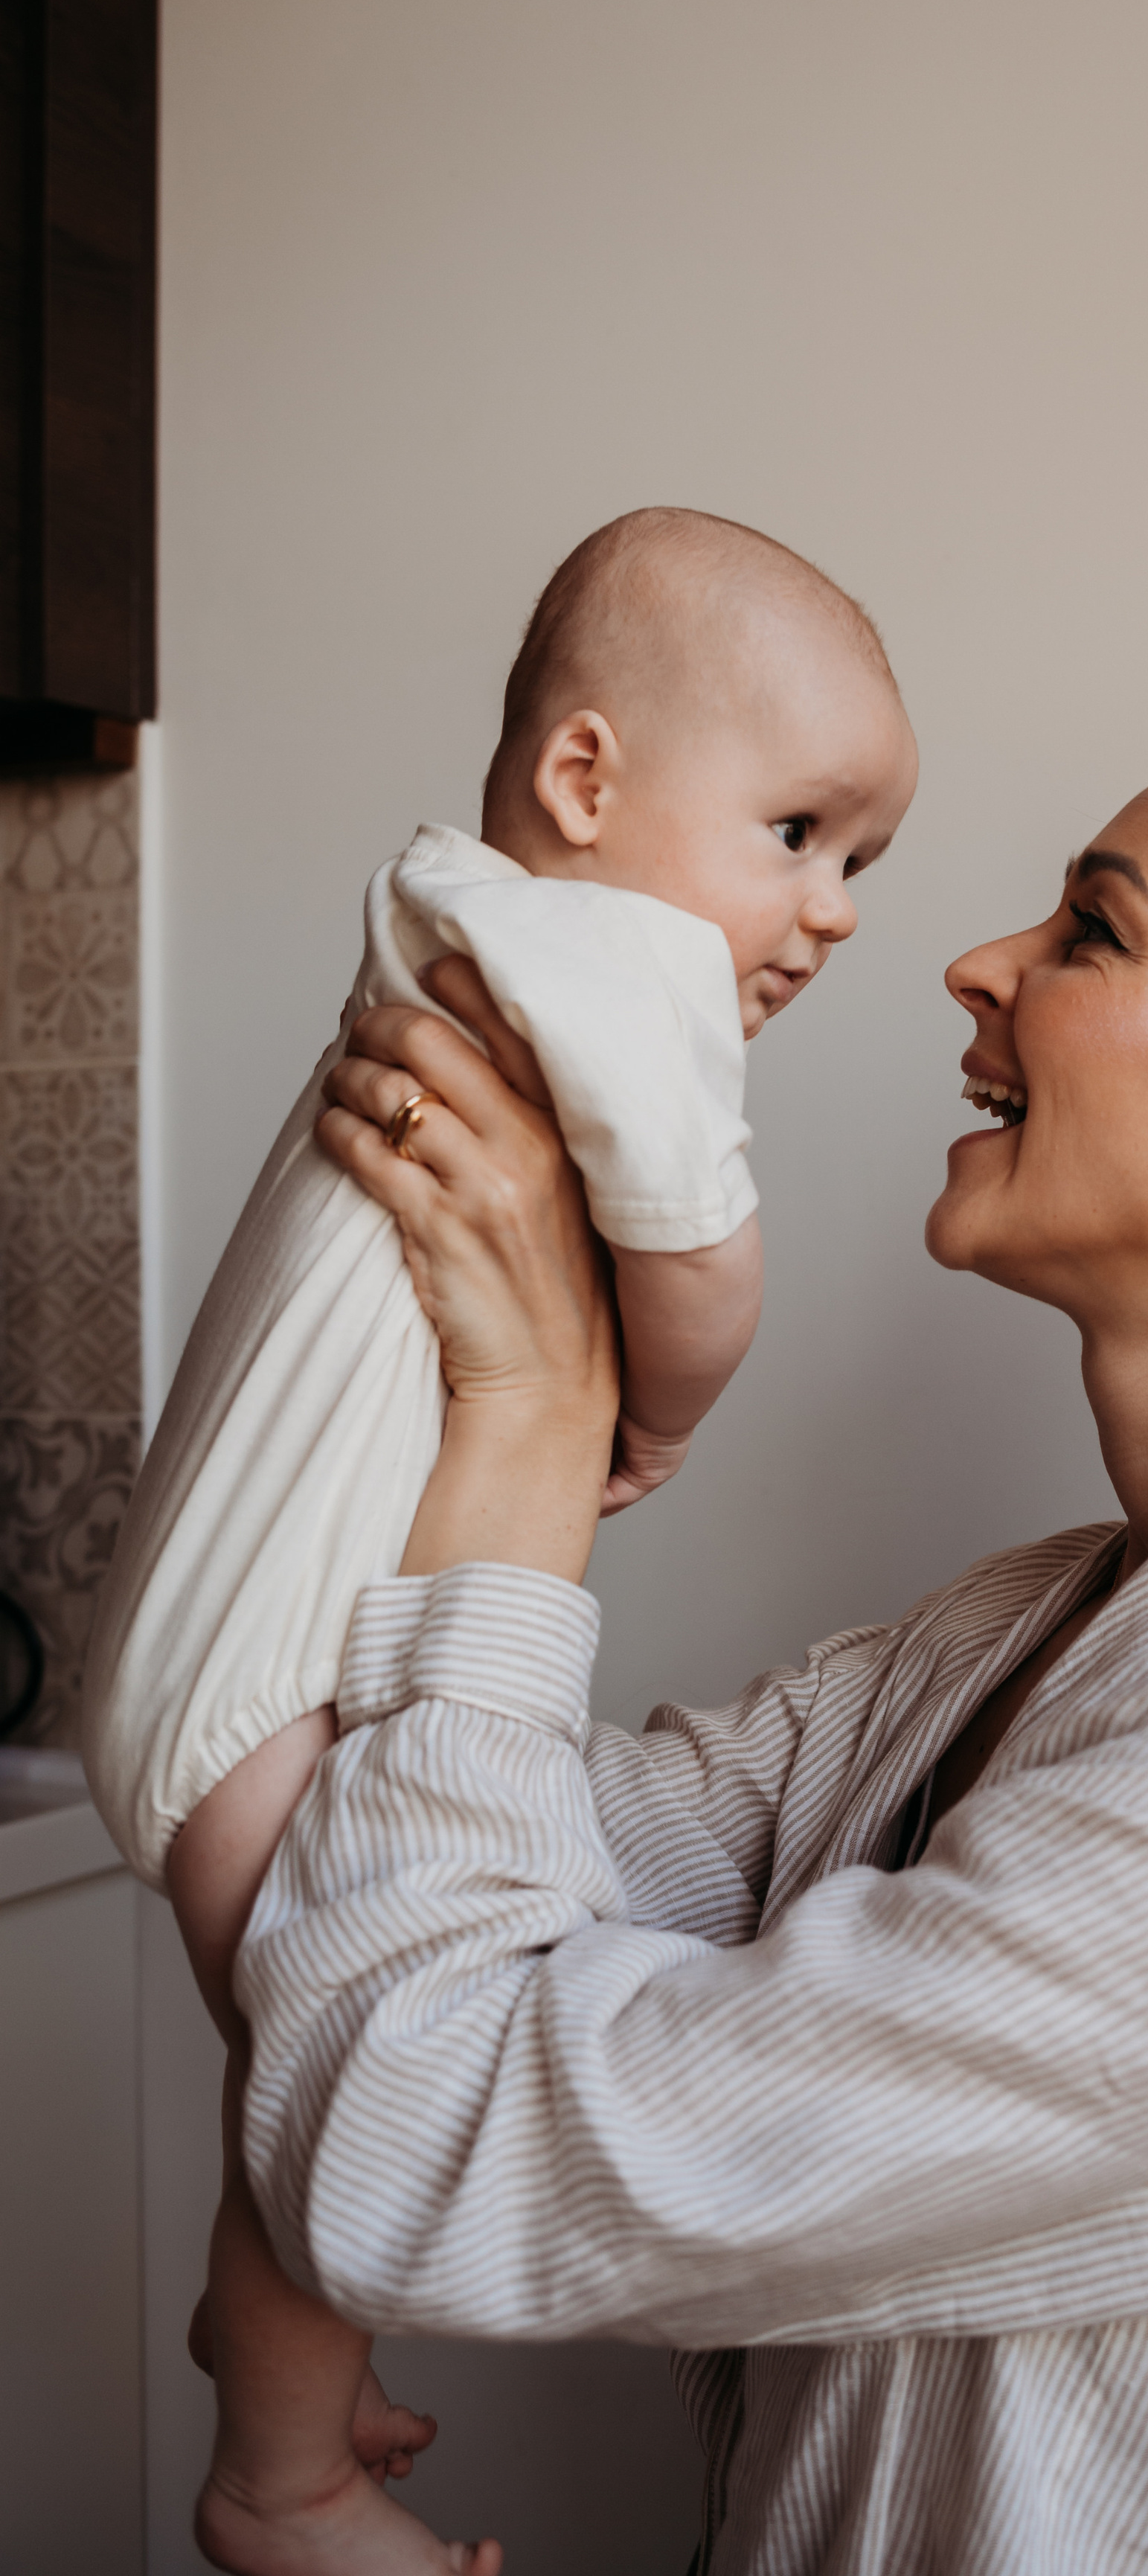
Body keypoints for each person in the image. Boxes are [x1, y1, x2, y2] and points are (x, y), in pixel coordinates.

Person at [202, 730, 1148, 2575]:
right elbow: (350, 1883)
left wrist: (535, 1410)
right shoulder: (1024, 1629)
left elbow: (412, 2152)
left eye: (1091, 931)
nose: (973, 963)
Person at [87, 508, 917, 2576]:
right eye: (802, 831)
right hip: (269, 1660)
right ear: (588, 785)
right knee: (343, 2075)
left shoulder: (461, 922)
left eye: (859, 864)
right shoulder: (612, 960)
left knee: (319, 2042)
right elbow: (703, 1260)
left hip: (210, 1641)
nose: (829, 914)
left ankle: (267, 2347)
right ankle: (278, 2483)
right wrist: (658, 1403)